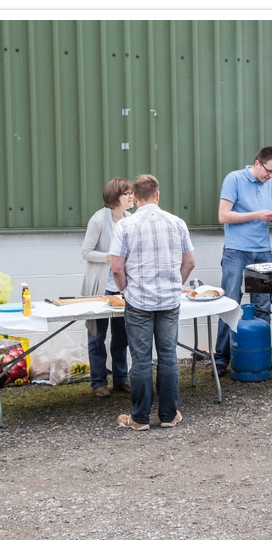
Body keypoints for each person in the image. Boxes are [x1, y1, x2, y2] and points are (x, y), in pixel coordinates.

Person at [109, 174, 196, 431]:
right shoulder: (177, 222)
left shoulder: (125, 225)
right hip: (169, 301)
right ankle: (169, 415)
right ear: (158, 195)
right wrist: (174, 283)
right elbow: (190, 262)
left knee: (141, 359)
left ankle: (139, 418)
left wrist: (126, 289)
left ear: (134, 198)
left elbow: (116, 268)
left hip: (138, 302)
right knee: (168, 357)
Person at [213, 146, 272, 376]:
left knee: (263, 306)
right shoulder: (234, 179)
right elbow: (223, 215)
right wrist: (257, 214)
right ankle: (222, 357)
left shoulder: (270, 183)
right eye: (268, 171)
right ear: (257, 163)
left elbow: (268, 214)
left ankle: (261, 355)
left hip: (263, 250)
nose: (271, 176)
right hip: (237, 251)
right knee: (230, 302)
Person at [81, 178, 134, 398]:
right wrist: (109, 257)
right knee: (97, 335)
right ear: (114, 198)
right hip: (100, 286)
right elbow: (86, 252)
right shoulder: (98, 220)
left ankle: (121, 378)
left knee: (122, 336)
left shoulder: (131, 219)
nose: (131, 196)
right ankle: (99, 382)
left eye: (132, 193)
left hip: (122, 287)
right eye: (126, 193)